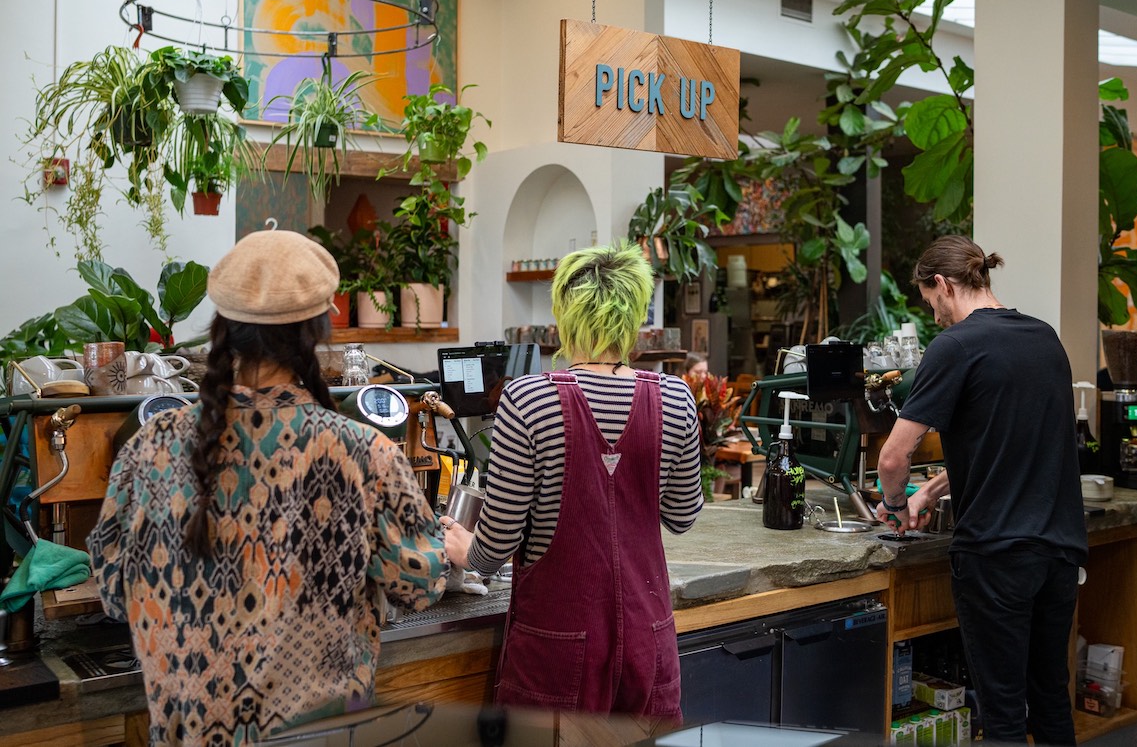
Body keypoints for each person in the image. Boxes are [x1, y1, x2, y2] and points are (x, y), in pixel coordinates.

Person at [87, 230, 447, 746]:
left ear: (225, 329)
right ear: (317, 330)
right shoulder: (366, 454)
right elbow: (423, 579)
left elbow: (113, 590)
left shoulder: (149, 448)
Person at [440, 241, 703, 716]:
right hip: (650, 645)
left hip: (555, 651)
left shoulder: (528, 400)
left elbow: (496, 544)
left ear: (564, 314)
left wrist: (467, 552)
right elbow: (682, 516)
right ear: (635, 316)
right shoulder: (676, 398)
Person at [876, 236, 1086, 746]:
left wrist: (897, 503)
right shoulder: (1044, 336)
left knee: (1003, 714)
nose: (936, 319)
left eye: (931, 304)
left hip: (996, 556)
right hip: (1059, 552)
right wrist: (931, 492)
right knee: (1052, 700)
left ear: (943, 285)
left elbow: (892, 456)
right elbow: (1008, 446)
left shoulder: (956, 345)